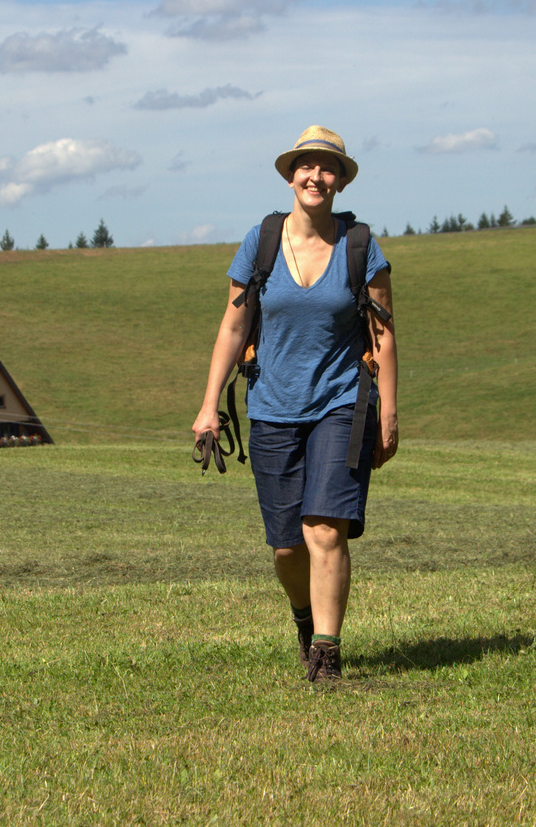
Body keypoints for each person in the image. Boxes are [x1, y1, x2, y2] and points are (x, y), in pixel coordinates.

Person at [191, 126, 398, 684]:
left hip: (342, 402)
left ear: (339, 181)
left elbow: (383, 335)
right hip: (272, 409)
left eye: (327, 168)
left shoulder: (361, 248)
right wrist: (209, 405)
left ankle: (327, 655)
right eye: (306, 166)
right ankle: (305, 619)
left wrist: (389, 413)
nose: (316, 176)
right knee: (287, 549)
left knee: (325, 530)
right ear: (291, 176)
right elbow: (233, 326)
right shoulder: (259, 244)